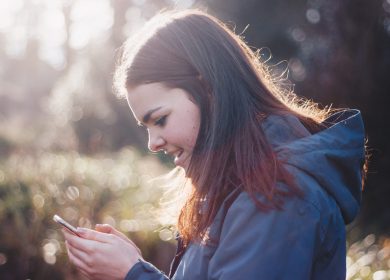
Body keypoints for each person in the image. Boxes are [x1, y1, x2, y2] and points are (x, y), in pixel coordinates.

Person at [62, 9, 366, 280]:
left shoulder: (277, 195)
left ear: (207, 88)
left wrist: (132, 273)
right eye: (146, 127)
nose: (153, 143)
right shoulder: (243, 185)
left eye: (160, 119)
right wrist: (131, 267)